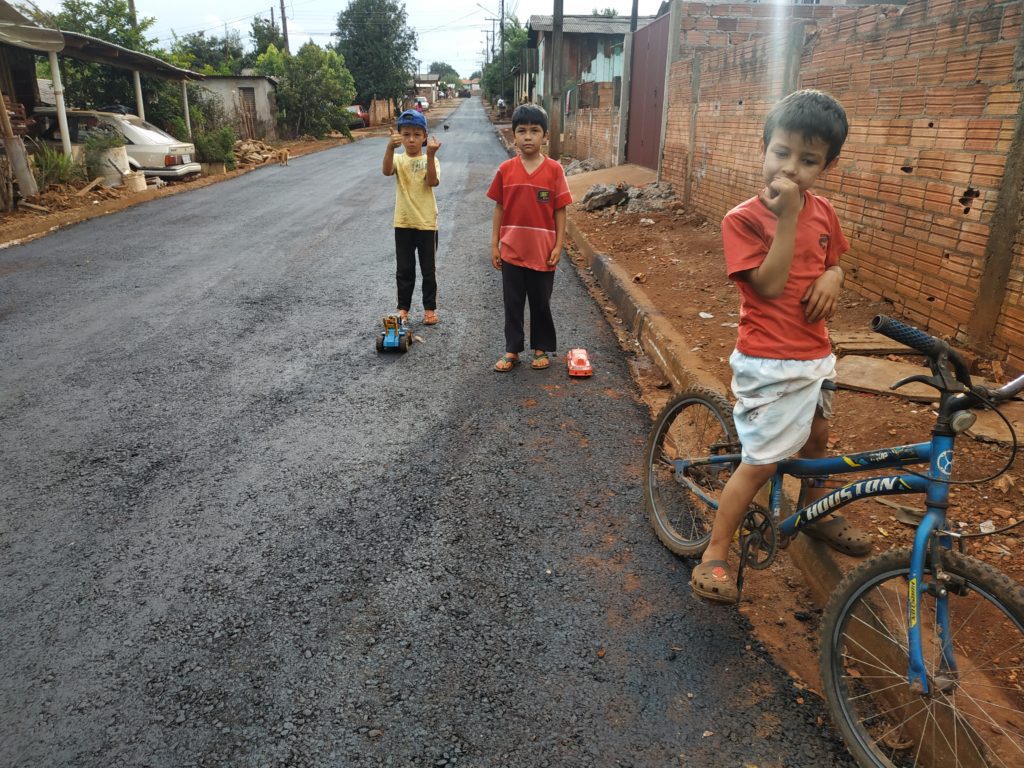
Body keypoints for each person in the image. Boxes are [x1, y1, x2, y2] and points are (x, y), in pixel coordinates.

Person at [690, 89, 870, 605]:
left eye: (808, 160)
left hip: (816, 355)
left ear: (827, 165)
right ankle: (715, 553)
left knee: (818, 437)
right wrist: (787, 217)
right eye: (782, 153)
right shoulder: (742, 219)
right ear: (763, 147)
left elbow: (834, 259)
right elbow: (767, 286)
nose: (791, 168)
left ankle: (816, 514)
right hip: (768, 363)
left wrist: (834, 275)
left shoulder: (825, 212)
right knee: (762, 461)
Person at [487, 104, 572, 372]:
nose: (527, 136)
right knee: (512, 302)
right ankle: (512, 349)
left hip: (543, 251)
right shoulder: (505, 170)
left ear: (544, 136)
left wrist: (559, 245)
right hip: (512, 249)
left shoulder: (555, 170)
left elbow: (560, 209)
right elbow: (499, 207)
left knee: (540, 302)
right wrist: (494, 244)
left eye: (534, 131)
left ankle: (540, 348)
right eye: (521, 131)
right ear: (513, 135)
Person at [382, 109, 441, 325]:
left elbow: (432, 182)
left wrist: (432, 155)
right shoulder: (398, 159)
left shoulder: (430, 159)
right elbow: (386, 171)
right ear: (399, 135)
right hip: (403, 222)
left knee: (428, 270)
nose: (411, 139)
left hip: (426, 223)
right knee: (404, 269)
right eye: (406, 134)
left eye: (417, 134)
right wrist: (389, 147)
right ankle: (403, 309)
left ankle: (429, 309)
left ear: (425, 136)